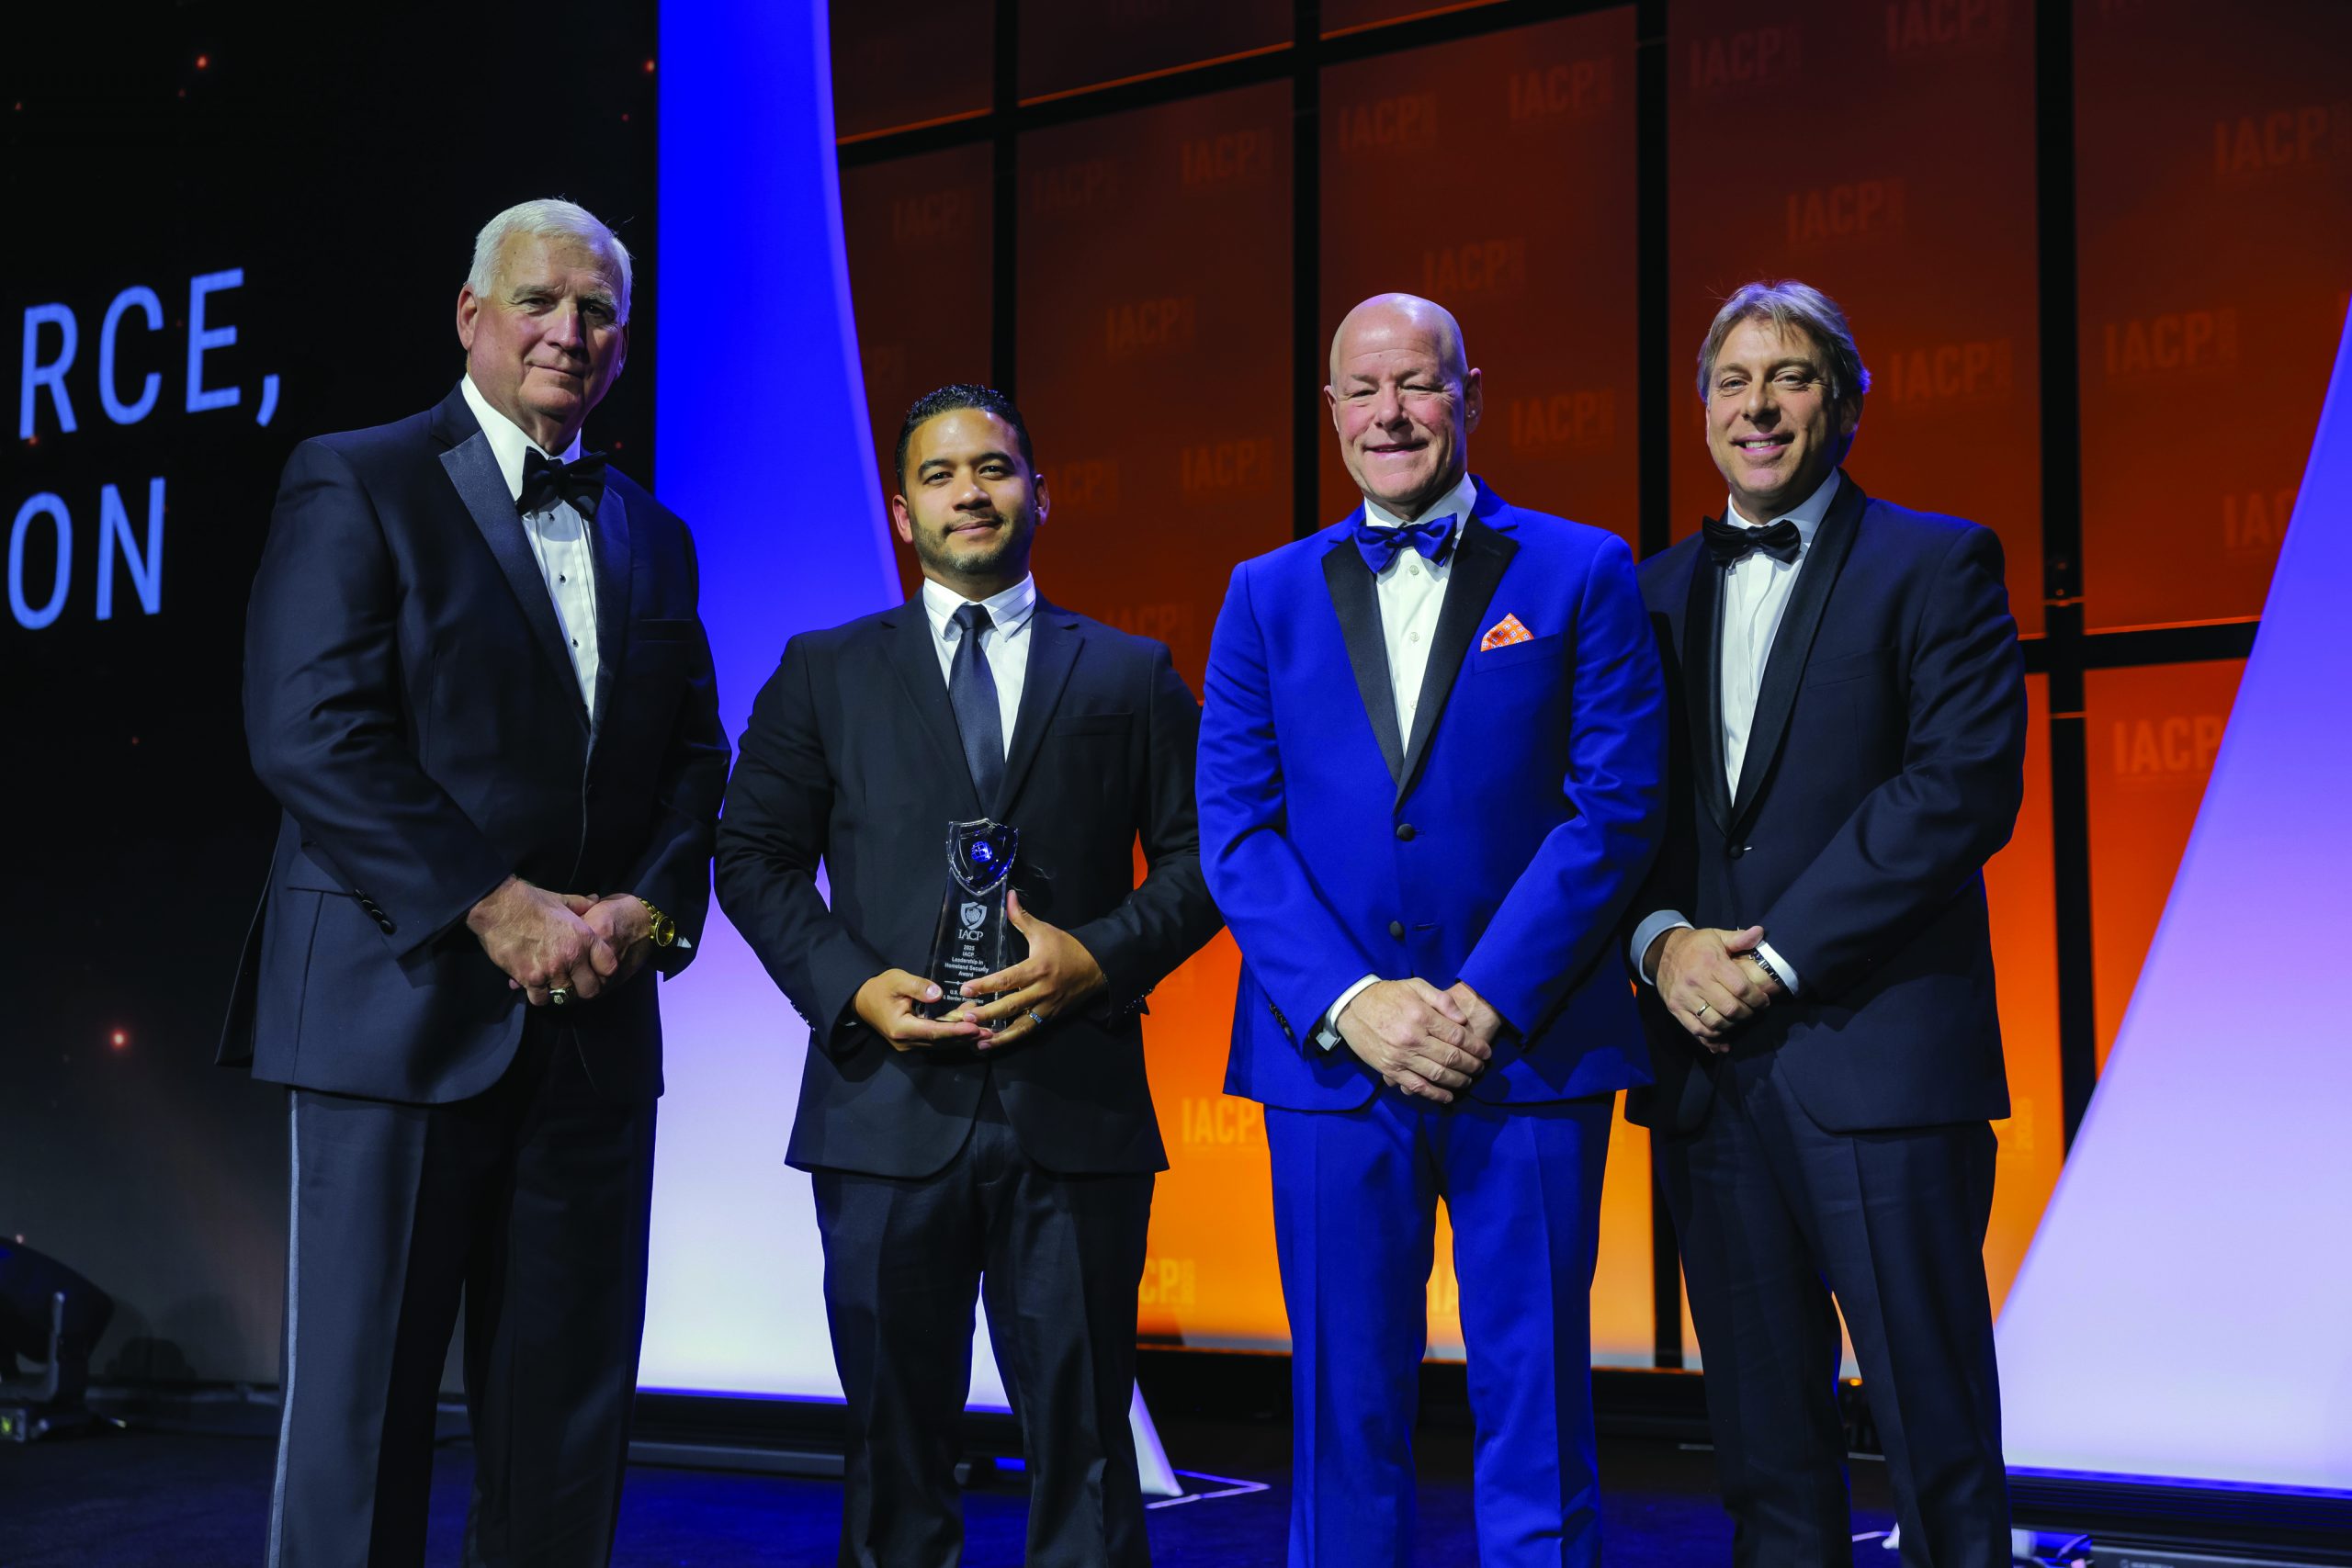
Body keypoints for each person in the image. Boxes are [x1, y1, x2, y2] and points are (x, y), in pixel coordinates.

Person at [220, 197, 729, 1566]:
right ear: (471, 316)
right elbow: (310, 732)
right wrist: (496, 907)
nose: (570, 330)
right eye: (539, 300)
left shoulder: (658, 535)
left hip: (593, 1026)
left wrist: (645, 909)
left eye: (599, 310)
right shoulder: (356, 477)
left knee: (565, 1427)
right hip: (395, 1014)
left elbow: (697, 761)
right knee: (360, 1420)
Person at [714, 384, 1222, 1568]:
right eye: (939, 476)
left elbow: (1209, 859)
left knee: (1087, 1450)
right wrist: (851, 986)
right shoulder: (825, 670)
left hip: (1074, 1105)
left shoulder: (1130, 672)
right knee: (893, 1451)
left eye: (993, 468)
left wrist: (1097, 957)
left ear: (1041, 493)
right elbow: (751, 855)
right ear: (903, 514)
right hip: (884, 1110)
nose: (970, 493)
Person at [1195, 294, 1666, 1567]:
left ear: (1471, 394)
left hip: (1529, 1048)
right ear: (1331, 411)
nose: (1391, 414)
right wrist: (1358, 1002)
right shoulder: (1263, 593)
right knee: (1342, 1410)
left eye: (1418, 384)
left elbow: (1615, 808)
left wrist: (1484, 1000)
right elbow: (1235, 831)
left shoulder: (1583, 569)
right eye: (1364, 390)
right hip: (1332, 1063)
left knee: (1539, 1401)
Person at [1624, 279, 2026, 1566]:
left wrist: (1778, 959)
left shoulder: (1937, 562)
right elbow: (1613, 815)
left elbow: (1958, 789)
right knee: (1764, 1458)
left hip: (1878, 1063)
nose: (1759, 407)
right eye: (1733, 382)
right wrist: (1661, 943)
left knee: (1935, 1436)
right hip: (1705, 1072)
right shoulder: (1644, 594)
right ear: (1703, 411)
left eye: (1790, 378)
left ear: (1846, 403)